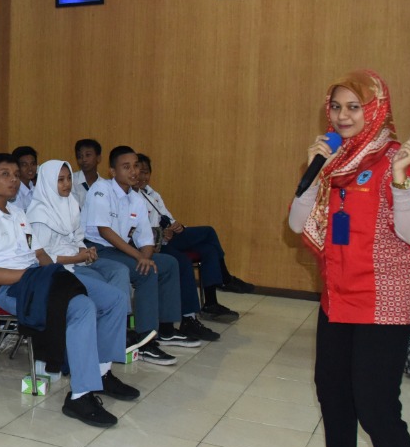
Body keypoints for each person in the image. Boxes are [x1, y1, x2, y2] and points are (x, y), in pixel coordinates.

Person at [286, 70, 410, 447]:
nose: (344, 116)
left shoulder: (396, 159)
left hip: (383, 300)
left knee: (378, 411)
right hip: (339, 295)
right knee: (331, 386)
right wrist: (311, 172)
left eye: (354, 107)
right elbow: (296, 223)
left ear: (375, 110)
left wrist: (400, 183)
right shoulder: (334, 162)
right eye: (337, 107)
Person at [0, 154, 137, 426]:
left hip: (39, 276)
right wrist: (36, 275)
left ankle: (102, 373)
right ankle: (80, 395)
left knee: (114, 297)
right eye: (4, 174)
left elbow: (39, 253)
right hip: (13, 288)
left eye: (16, 175)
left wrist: (55, 271)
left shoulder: (18, 214)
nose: (13, 180)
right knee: (82, 307)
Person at [25, 160, 164, 364]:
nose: (67, 184)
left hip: (77, 259)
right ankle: (110, 336)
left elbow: (77, 238)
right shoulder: (39, 214)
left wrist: (85, 251)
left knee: (118, 270)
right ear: (46, 182)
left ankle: (120, 329)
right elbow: (41, 258)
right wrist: (78, 257)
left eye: (69, 178)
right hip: (58, 268)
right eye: (60, 180)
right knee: (101, 281)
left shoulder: (70, 203)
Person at [83, 146, 205, 350]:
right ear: (113, 171)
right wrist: (140, 258)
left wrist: (145, 256)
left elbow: (145, 237)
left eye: (136, 166)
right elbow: (105, 231)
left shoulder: (136, 198)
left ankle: (166, 329)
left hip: (122, 250)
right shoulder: (101, 190)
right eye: (126, 167)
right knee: (146, 271)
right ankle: (145, 337)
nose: (133, 172)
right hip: (97, 250)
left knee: (168, 263)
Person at [135, 153, 251, 326]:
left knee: (209, 250)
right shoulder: (133, 197)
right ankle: (225, 279)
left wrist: (177, 226)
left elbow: (168, 217)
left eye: (146, 172)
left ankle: (211, 303)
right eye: (139, 172)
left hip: (171, 235)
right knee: (208, 232)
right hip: (158, 242)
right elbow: (141, 230)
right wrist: (164, 231)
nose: (142, 176)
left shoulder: (153, 194)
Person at [71, 138, 104, 208]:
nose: (84, 159)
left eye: (88, 155)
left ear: (98, 158)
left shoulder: (104, 186)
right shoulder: (70, 181)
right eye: (80, 156)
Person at [11, 146, 38, 211]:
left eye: (33, 164)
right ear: (16, 167)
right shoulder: (13, 193)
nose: (30, 168)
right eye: (24, 165)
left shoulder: (37, 190)